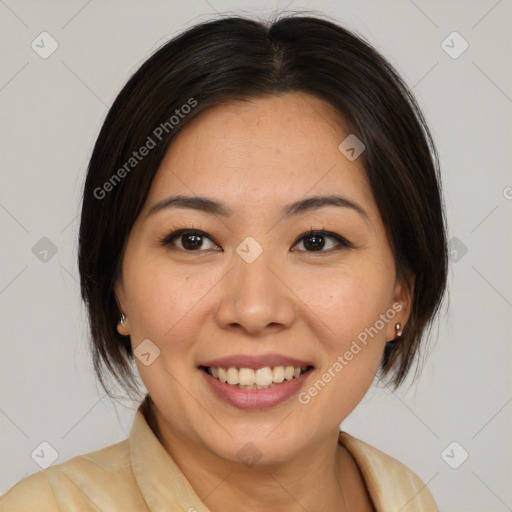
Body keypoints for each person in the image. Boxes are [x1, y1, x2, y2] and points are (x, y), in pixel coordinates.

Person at [1, 12, 448, 511]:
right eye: (192, 240)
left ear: (400, 293)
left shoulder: (403, 495)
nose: (254, 309)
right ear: (116, 286)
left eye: (317, 241)